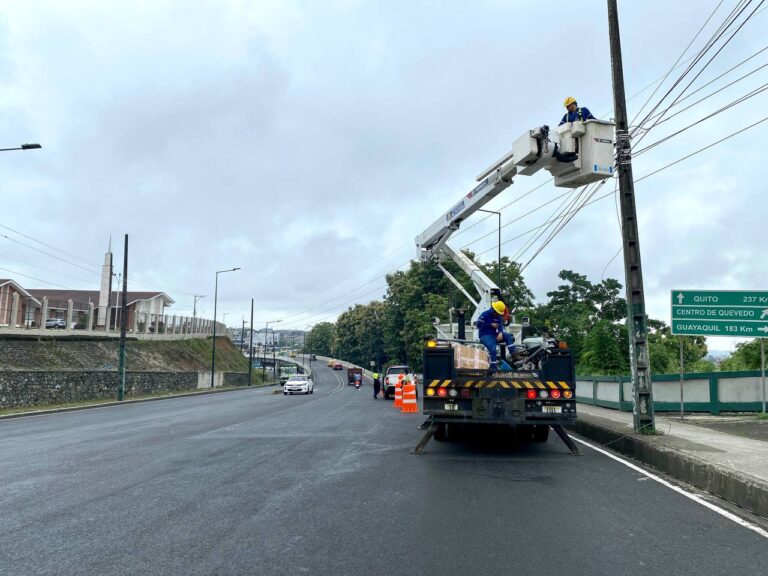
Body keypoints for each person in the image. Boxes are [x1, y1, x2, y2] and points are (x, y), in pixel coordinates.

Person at [476, 301, 515, 371]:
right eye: (498, 312)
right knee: (493, 350)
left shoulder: (498, 316)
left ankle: (514, 354)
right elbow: (478, 325)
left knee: (507, 336)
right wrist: (490, 324)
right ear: (494, 310)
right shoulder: (484, 314)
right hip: (485, 335)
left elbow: (500, 326)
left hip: (494, 335)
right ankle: (493, 368)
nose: (498, 314)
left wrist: (500, 332)